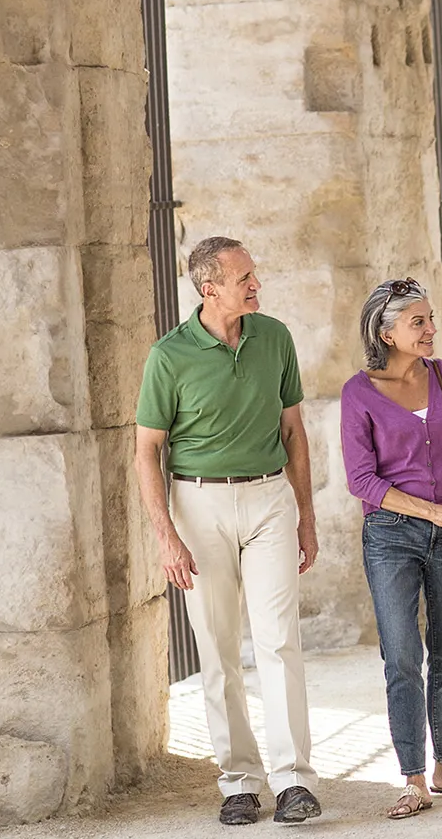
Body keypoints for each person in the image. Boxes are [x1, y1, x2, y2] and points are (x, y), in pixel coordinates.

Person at [133, 236, 325, 825]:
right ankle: (239, 780)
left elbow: (294, 432)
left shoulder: (275, 338)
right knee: (216, 650)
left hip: (269, 498)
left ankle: (294, 780)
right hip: (198, 506)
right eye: (244, 277)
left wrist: (306, 516)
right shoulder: (169, 355)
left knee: (278, 640)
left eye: (254, 274)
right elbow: (146, 453)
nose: (255, 284)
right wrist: (167, 537)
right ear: (209, 287)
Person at [340, 278, 442, 819]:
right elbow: (362, 480)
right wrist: (433, 511)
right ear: (386, 332)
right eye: (419, 322)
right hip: (392, 536)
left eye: (431, 319)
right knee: (403, 657)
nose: (431, 330)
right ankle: (413, 777)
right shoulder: (357, 393)